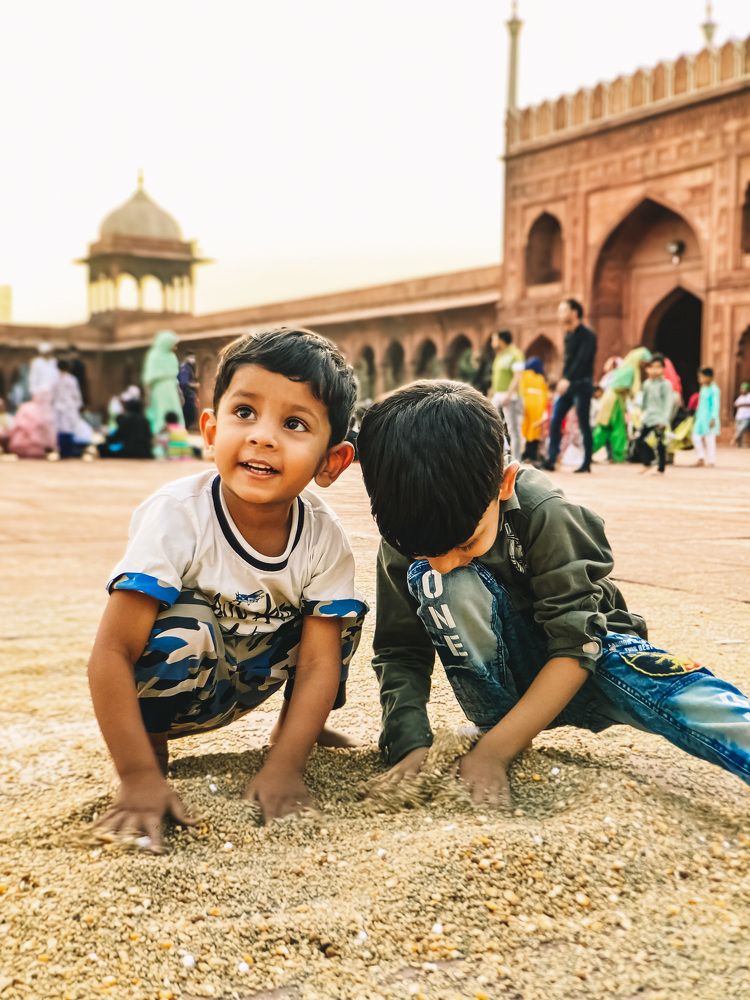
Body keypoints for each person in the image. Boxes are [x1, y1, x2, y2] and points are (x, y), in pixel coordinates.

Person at [356, 381, 750, 808]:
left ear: (504, 484)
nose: (445, 562)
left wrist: (493, 753)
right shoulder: (406, 525)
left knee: (678, 688)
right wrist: (409, 744)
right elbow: (400, 651)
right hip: (502, 691)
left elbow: (577, 642)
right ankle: (502, 725)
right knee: (439, 581)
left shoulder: (544, 511)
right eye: (422, 551)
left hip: (592, 662)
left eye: (466, 544)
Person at [87, 327, 367, 850]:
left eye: (294, 423)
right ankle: (153, 754)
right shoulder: (178, 516)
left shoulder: (324, 539)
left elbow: (317, 664)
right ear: (211, 430)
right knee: (183, 624)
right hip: (182, 683)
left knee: (338, 617)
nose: (263, 436)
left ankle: (294, 733)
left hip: (256, 672)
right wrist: (136, 776)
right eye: (245, 413)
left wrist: (286, 767)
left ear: (332, 461)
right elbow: (111, 650)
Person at [541, 299, 597, 474]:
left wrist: (568, 379)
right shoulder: (568, 336)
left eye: (563, 310)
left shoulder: (588, 336)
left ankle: (586, 462)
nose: (560, 314)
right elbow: (568, 362)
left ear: (574, 312)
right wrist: (562, 379)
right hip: (568, 386)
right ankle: (552, 458)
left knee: (583, 423)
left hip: (582, 385)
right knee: (556, 419)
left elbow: (583, 360)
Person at [592, 347, 651, 464]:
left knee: (604, 428)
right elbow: (621, 387)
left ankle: (589, 452)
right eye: (643, 362)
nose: (644, 365)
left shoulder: (625, 368)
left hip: (611, 400)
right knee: (617, 429)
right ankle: (618, 456)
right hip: (615, 400)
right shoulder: (629, 370)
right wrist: (631, 394)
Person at [489, 330, 524, 459]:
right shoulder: (499, 356)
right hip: (498, 395)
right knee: (492, 423)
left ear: (501, 340)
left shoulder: (515, 354)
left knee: (513, 430)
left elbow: (517, 376)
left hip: (511, 396)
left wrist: (509, 395)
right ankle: (503, 454)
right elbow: (496, 377)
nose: (492, 342)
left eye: (494, 339)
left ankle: (517, 460)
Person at [635, 353, 672, 475]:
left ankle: (661, 468)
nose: (655, 370)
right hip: (648, 417)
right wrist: (640, 414)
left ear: (663, 369)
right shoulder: (647, 384)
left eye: (658, 367)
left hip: (659, 417)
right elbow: (644, 401)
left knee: (660, 442)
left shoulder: (665, 384)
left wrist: (664, 420)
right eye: (652, 367)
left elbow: (668, 403)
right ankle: (647, 462)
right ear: (647, 369)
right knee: (640, 440)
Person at [142, 330, 184, 437]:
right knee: (161, 413)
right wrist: (148, 395)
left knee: (175, 413)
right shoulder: (154, 356)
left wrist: (179, 391)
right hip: (159, 390)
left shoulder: (172, 357)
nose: (175, 348)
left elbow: (174, 377)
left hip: (172, 390)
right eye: (173, 345)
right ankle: (160, 439)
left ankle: (177, 438)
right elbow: (149, 379)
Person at [518, 357, 548, 464]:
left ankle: (525, 453)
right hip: (538, 404)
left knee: (525, 428)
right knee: (535, 429)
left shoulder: (524, 375)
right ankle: (532, 454)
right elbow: (545, 393)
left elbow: (521, 389)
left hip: (527, 402)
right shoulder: (540, 377)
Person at [52, 359, 83, 459]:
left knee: (67, 429)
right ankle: (63, 452)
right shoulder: (56, 380)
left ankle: (68, 452)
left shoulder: (70, 380)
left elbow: (76, 395)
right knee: (61, 429)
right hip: (60, 407)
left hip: (68, 407)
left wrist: (76, 405)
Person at [692, 367, 721, 467]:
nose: (699, 379)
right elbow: (700, 404)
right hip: (700, 418)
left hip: (709, 418)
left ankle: (711, 461)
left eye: (701, 377)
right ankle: (701, 457)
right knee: (695, 437)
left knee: (710, 439)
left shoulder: (714, 389)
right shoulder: (703, 388)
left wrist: (713, 418)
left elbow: (715, 405)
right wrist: (696, 416)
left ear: (709, 377)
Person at [178, 353, 200, 429]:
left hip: (186, 394)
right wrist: (194, 385)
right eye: (191, 357)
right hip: (186, 395)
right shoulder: (185, 368)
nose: (193, 359)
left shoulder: (187, 367)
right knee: (189, 414)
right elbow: (184, 383)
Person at [734, 381, 750, 447]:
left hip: (747, 416)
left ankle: (734, 438)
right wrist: (743, 404)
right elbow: (735, 404)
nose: (742, 390)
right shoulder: (740, 397)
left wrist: (741, 404)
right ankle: (739, 445)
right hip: (739, 416)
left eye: (743, 389)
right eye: (741, 389)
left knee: (741, 429)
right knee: (738, 429)